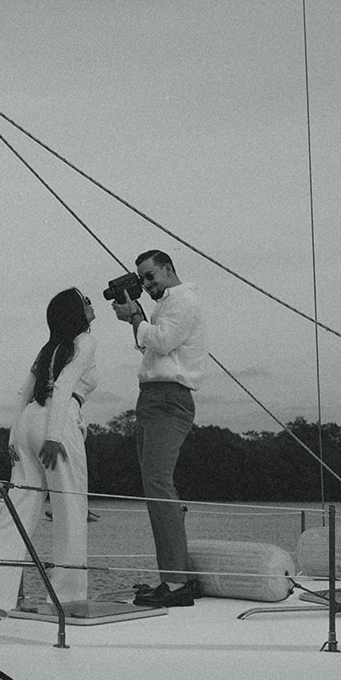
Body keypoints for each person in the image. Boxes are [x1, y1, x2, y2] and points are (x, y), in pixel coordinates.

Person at [0, 287, 98, 629]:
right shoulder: (85, 341)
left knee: (20, 508)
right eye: (85, 301)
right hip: (58, 419)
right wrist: (55, 435)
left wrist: (13, 437)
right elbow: (68, 383)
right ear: (75, 312)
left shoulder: (48, 348)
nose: (91, 304)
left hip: (28, 421)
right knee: (70, 510)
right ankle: (68, 601)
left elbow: (24, 392)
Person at [111, 248, 207, 608]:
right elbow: (155, 350)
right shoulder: (165, 305)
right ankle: (175, 577)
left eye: (150, 276)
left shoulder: (182, 301)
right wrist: (137, 320)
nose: (146, 283)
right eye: (142, 278)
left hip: (169, 398)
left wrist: (135, 318)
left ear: (168, 269)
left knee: (158, 485)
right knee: (155, 487)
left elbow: (162, 341)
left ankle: (176, 582)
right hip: (153, 397)